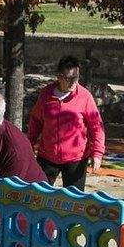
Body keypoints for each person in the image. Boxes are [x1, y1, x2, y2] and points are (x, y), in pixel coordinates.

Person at [25, 57, 105, 189]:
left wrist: (97, 153)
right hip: (47, 156)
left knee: (74, 198)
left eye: (76, 77)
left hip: (76, 158)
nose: (74, 82)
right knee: (39, 193)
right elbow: (36, 122)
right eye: (70, 78)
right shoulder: (46, 94)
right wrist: (29, 145)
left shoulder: (85, 96)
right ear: (59, 77)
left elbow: (96, 127)